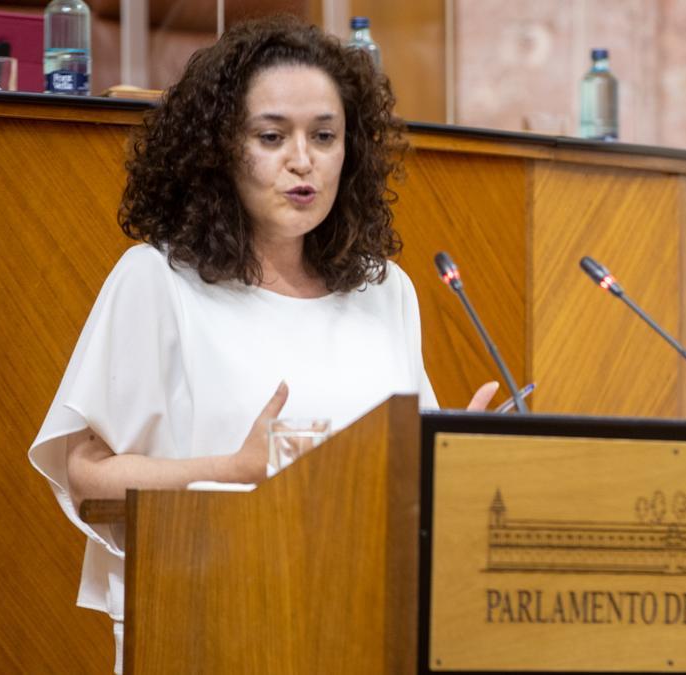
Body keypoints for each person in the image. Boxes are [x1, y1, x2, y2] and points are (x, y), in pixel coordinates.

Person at [27, 16, 495, 672]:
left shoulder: (385, 290)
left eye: (325, 137)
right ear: (220, 149)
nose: (302, 160)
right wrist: (231, 471)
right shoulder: (158, 281)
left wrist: (453, 460)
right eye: (272, 136)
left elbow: (398, 479)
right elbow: (86, 474)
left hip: (366, 620)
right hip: (207, 617)